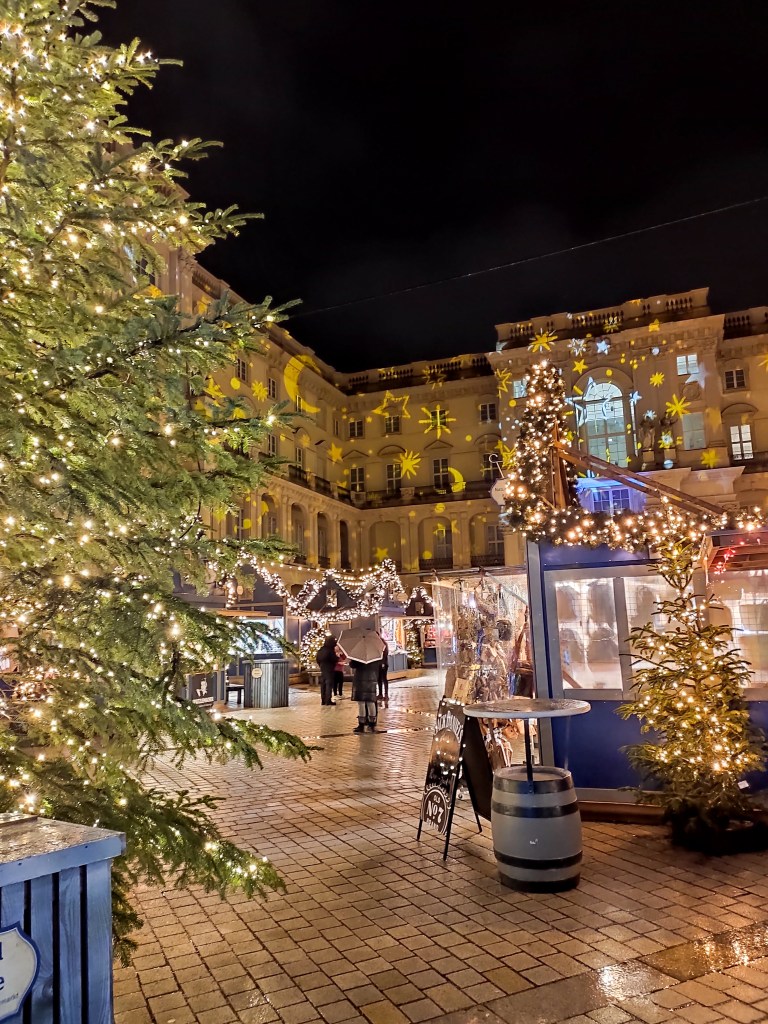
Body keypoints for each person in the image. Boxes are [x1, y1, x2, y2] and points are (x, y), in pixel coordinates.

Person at [350, 658, 378, 732]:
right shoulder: (373, 655)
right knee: (370, 701)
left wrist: (351, 660)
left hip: (360, 679)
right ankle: (372, 724)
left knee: (361, 702)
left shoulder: (358, 655)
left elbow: (352, 665)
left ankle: (361, 724)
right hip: (371, 678)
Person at [315, 635, 337, 706]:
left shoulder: (321, 650)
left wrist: (321, 666)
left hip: (323, 669)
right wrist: (337, 657)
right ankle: (328, 700)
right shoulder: (330, 650)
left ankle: (323, 700)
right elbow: (334, 659)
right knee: (329, 685)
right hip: (329, 669)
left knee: (323, 685)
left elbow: (317, 659)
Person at [377, 633, 389, 702]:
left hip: (383, 664)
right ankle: (380, 693)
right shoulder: (376, 643)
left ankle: (386, 694)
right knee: (379, 679)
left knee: (384, 678)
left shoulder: (383, 643)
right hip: (378, 664)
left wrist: (383, 663)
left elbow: (385, 654)